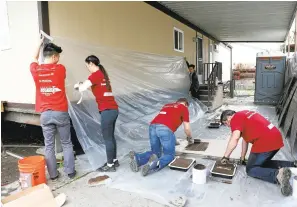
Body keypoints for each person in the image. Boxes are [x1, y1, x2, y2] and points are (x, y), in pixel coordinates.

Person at [220, 110, 297, 196]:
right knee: (261, 163)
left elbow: (235, 138)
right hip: (275, 137)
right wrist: (242, 157)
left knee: (250, 169)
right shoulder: (244, 114)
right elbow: (245, 140)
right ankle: (292, 164)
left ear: (228, 118)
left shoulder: (235, 119)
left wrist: (225, 157)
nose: (228, 126)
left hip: (265, 141)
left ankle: (278, 175)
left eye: (226, 124)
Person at [30, 36, 76, 180]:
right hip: (60, 112)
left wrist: (39, 43)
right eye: (59, 57)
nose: (59, 59)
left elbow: (33, 57)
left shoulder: (36, 70)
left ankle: (53, 175)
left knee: (49, 146)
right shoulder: (60, 69)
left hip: (45, 114)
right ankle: (70, 172)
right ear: (55, 56)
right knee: (66, 142)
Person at [74, 55, 119, 172]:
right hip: (113, 110)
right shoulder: (102, 75)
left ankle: (110, 166)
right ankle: (114, 160)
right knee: (111, 137)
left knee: (107, 139)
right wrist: (84, 86)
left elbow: (83, 88)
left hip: (107, 111)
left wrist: (78, 86)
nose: (87, 68)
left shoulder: (95, 75)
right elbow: (96, 88)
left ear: (91, 64)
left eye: (87, 66)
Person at [129, 98, 194, 176]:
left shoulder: (167, 105)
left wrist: (173, 140)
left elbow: (165, 121)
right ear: (186, 104)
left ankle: (138, 158)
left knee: (156, 152)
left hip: (152, 126)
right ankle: (153, 164)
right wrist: (190, 137)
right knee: (169, 155)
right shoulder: (184, 108)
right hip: (165, 129)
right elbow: (187, 128)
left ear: (177, 102)